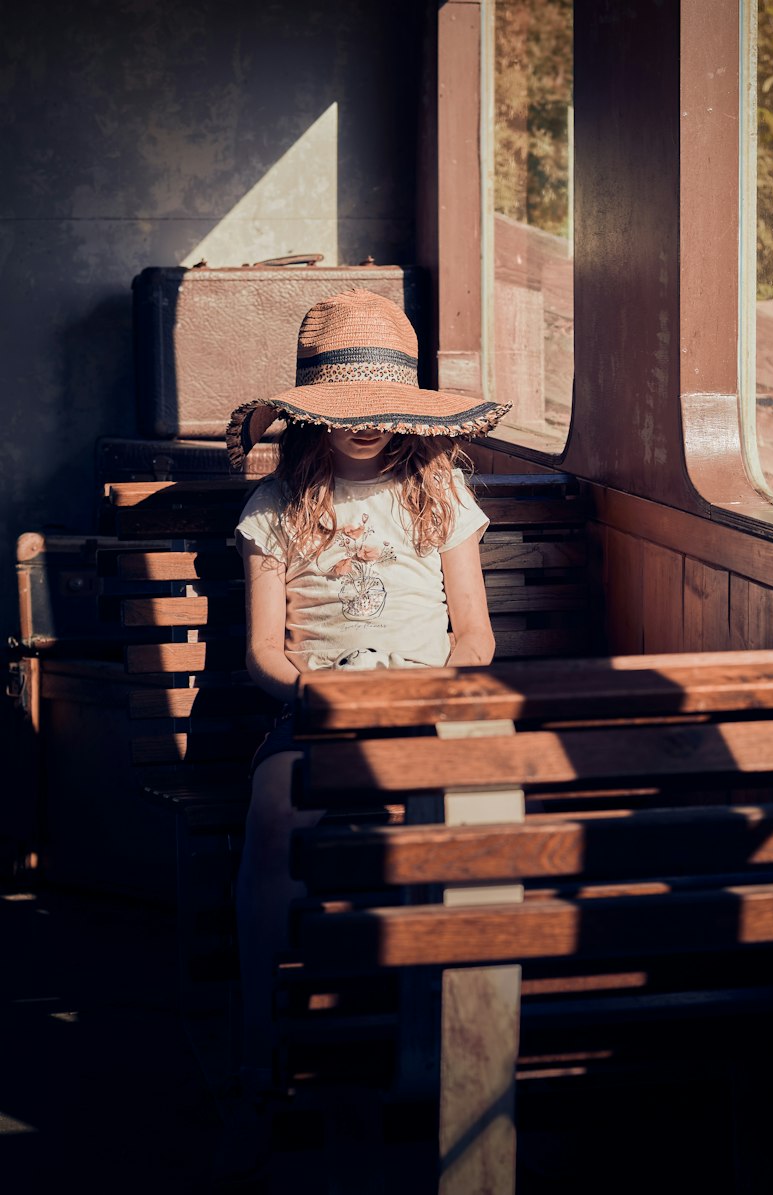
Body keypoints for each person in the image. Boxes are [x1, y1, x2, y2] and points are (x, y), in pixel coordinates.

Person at [218, 288, 509, 1175]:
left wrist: (433, 695)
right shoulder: (278, 505)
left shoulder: (439, 491)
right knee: (275, 817)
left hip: (426, 701)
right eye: (344, 411)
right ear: (310, 413)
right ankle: (265, 1034)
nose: (364, 428)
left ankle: (473, 1029)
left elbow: (477, 632)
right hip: (318, 706)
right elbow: (262, 652)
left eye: (378, 410)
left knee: (487, 818)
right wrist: (317, 697)